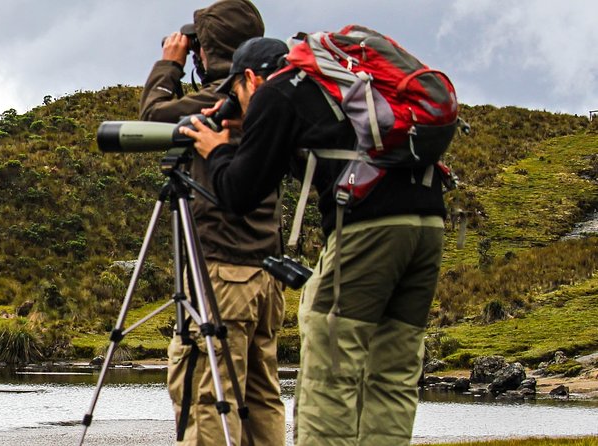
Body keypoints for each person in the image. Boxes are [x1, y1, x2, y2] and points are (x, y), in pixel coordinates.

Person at [180, 36, 447, 446]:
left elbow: (239, 195)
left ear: (249, 78)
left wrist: (216, 150)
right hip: (428, 224)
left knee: (330, 371)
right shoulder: (330, 90)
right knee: (392, 373)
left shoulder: (276, 93)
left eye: (235, 93)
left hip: (367, 230)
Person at [139, 2, 286, 445]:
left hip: (221, 273)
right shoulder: (272, 101)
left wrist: (169, 65)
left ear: (211, 49)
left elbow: (153, 115)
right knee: (260, 397)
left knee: (207, 395)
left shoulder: (220, 100)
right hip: (266, 274)